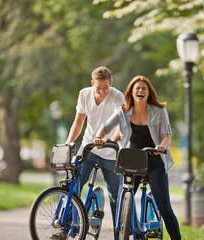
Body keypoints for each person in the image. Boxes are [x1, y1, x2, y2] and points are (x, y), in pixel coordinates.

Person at [94, 75, 181, 240]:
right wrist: (99, 137)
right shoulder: (123, 111)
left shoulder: (160, 110)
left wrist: (161, 146)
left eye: (144, 88)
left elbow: (166, 135)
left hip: (154, 160)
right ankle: (134, 231)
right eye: (137, 88)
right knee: (123, 203)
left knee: (165, 208)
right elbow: (106, 126)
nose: (140, 90)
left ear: (148, 93)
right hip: (132, 161)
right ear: (132, 93)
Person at [50, 66, 125, 240]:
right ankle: (65, 229)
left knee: (115, 195)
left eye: (105, 87)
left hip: (111, 152)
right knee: (74, 185)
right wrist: (69, 143)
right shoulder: (84, 94)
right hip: (89, 147)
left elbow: (121, 126)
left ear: (111, 84)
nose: (102, 91)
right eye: (98, 87)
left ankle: (119, 234)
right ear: (92, 84)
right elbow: (78, 123)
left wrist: (111, 141)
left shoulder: (117, 96)